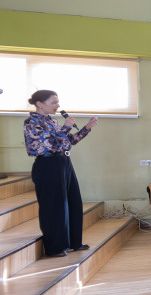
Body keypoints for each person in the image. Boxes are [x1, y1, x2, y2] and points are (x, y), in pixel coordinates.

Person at [23, 89, 97, 257]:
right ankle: (56, 248)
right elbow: (52, 144)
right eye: (53, 102)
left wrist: (86, 128)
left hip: (64, 163)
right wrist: (66, 127)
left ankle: (74, 242)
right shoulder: (31, 123)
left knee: (73, 203)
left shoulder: (53, 122)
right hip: (47, 165)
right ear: (40, 104)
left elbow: (69, 141)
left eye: (57, 102)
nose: (57, 105)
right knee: (54, 207)